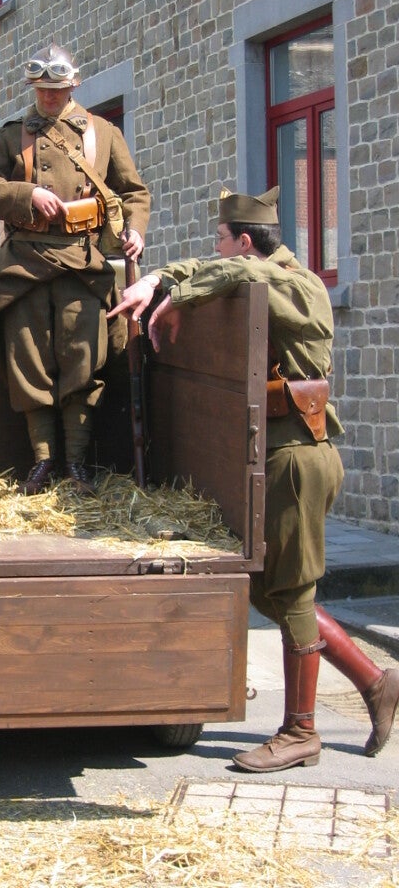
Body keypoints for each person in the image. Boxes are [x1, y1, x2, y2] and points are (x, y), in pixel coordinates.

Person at [108, 185, 399, 770]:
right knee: (270, 588)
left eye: (222, 239)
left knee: (290, 593)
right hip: (281, 457)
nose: (216, 249)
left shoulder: (300, 284)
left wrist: (179, 295)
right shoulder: (256, 273)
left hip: (300, 460)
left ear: (246, 241)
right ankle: (373, 680)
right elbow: (225, 268)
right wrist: (161, 280)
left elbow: (236, 273)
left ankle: (301, 732)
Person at [0, 43, 151, 495]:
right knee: (29, 359)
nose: (49, 97)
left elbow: (133, 192)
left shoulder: (103, 134)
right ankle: (43, 462)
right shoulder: (11, 135)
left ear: (73, 84)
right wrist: (25, 196)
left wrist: (135, 230)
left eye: (57, 89)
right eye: (41, 89)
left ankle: (76, 463)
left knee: (81, 360)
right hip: (23, 266)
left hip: (81, 264)